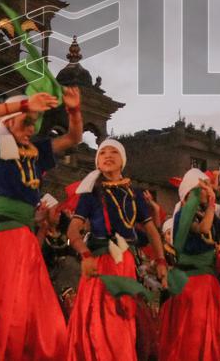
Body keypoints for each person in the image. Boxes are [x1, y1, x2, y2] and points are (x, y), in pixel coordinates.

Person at [0, 88, 82, 361]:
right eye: (27, 121)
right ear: (9, 121)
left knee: (33, 314)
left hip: (25, 239)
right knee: (3, 310)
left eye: (34, 123)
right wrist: (22, 104)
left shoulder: (36, 153)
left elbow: (73, 137)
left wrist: (73, 111)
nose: (31, 128)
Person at [66, 138, 167, 361]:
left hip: (126, 265)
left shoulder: (135, 194)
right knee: (102, 326)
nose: (108, 156)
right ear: (97, 162)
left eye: (114, 152)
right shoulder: (91, 193)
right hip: (100, 265)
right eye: (102, 153)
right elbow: (73, 231)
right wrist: (84, 254)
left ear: (122, 160)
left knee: (124, 324)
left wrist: (161, 262)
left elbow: (151, 230)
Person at [159, 168, 220, 361]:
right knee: (196, 340)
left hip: (209, 285)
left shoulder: (209, 215)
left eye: (206, 187)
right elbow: (204, 228)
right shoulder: (182, 215)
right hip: (193, 286)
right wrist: (213, 203)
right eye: (201, 187)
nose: (206, 191)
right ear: (188, 194)